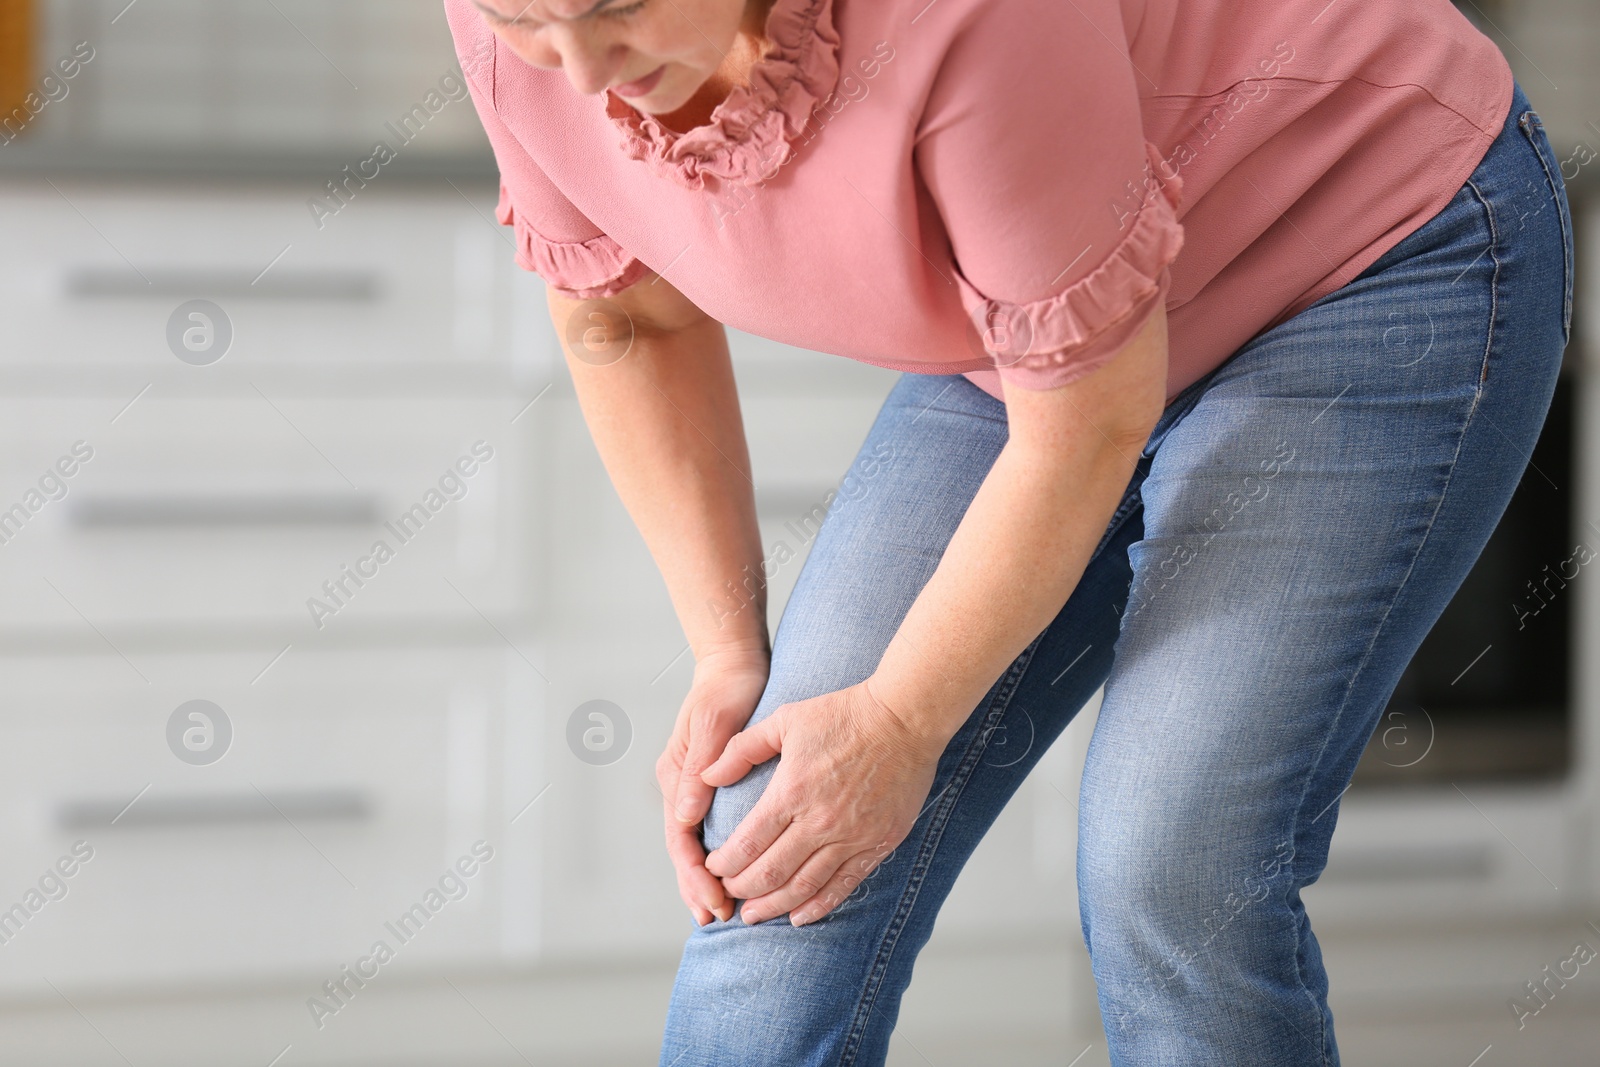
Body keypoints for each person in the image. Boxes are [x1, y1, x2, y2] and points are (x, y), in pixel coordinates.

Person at [444, 0, 1574, 1062]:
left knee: (1172, 870)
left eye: (616, 7)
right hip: (1035, 328)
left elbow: (1084, 425)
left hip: (1355, 245)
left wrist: (898, 719)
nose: (581, 73)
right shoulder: (522, 33)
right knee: (772, 840)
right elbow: (629, 314)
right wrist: (728, 646)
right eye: (523, 16)